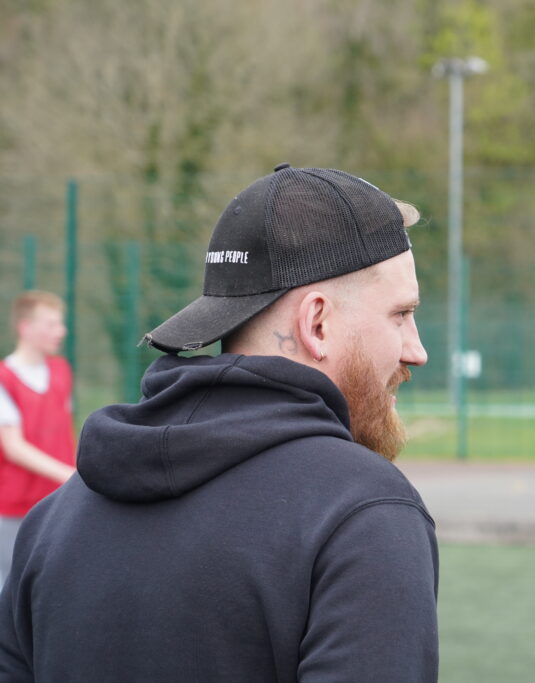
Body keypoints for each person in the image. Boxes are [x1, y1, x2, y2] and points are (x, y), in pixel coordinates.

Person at [0, 164, 439, 682]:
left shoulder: (55, 519)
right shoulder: (362, 512)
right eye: (400, 314)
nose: (417, 350)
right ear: (317, 322)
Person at [0, 291, 76, 587]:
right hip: (15, 506)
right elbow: (13, 447)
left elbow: (64, 431)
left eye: (61, 323)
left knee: (53, 583)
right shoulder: (5, 378)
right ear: (25, 327)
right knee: (9, 584)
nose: (61, 331)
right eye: (52, 324)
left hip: (57, 501)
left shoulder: (61, 371)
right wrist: (70, 475)